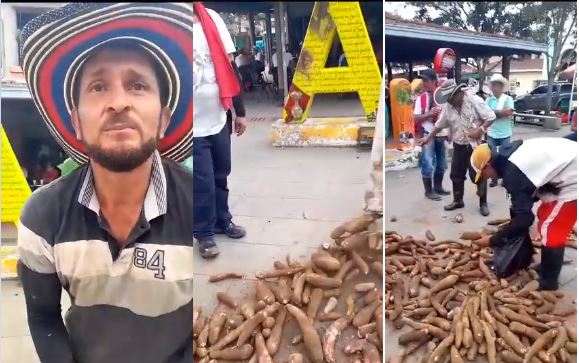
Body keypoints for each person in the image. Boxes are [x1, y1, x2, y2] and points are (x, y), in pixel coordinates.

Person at [18, 4, 193, 362]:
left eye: (137, 85)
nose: (118, 103)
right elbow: (43, 317)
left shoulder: (198, 206)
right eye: (98, 87)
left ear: (163, 120)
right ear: (77, 124)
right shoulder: (42, 217)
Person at [470, 138, 577, 290]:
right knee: (544, 214)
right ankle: (548, 266)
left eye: (484, 174)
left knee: (551, 228)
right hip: (565, 168)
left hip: (573, 178)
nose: (487, 178)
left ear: (487, 165)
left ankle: (549, 282)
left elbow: (525, 219)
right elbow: (528, 190)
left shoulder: (513, 171)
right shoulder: (508, 154)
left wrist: (494, 239)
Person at [193, 4, 246, 259]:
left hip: (217, 116)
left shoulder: (212, 18)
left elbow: (230, 67)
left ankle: (222, 221)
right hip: (189, 125)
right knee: (201, 181)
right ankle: (203, 234)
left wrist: (241, 112)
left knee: (220, 174)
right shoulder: (168, 21)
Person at [418, 79, 497, 216]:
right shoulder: (448, 107)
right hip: (459, 145)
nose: (450, 102)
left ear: (459, 93)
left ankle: (483, 203)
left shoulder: (474, 101)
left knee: (479, 175)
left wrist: (480, 129)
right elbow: (439, 125)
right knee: (456, 175)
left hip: (476, 146)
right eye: (447, 99)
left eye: (452, 98)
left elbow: (491, 117)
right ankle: (458, 200)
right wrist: (427, 138)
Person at [413, 69, 449, 201]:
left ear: (434, 81)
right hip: (427, 132)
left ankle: (438, 187)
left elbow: (449, 115)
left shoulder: (444, 97)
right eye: (423, 80)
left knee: (441, 164)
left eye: (426, 80)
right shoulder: (420, 99)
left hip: (442, 133)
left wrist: (449, 132)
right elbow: (415, 119)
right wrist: (429, 114)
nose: (424, 83)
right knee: (427, 163)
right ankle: (428, 191)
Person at [485, 74, 514, 187]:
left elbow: (508, 112)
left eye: (498, 85)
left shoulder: (508, 99)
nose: (496, 87)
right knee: (492, 157)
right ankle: (494, 178)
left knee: (505, 156)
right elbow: (486, 114)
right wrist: (499, 112)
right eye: (494, 85)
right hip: (492, 132)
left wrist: (494, 112)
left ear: (502, 87)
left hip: (505, 133)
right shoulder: (488, 99)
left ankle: (506, 178)